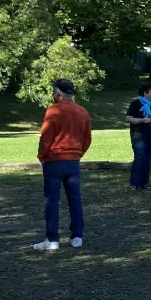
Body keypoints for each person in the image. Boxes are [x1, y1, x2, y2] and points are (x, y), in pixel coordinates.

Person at [34, 79, 93, 251]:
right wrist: (77, 153)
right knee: (75, 199)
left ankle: (52, 239)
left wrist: (42, 155)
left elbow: (46, 137)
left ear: (58, 92)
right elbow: (87, 138)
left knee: (52, 200)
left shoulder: (53, 111)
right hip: (73, 161)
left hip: (54, 160)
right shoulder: (82, 111)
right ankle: (77, 236)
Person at [125, 84, 151, 191]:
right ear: (145, 93)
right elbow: (128, 118)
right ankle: (134, 183)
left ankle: (144, 183)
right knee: (140, 158)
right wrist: (142, 120)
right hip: (139, 134)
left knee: (148, 159)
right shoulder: (135, 104)